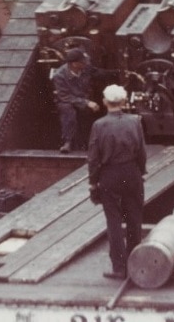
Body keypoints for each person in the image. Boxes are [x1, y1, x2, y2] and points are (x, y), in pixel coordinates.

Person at [88, 85, 146, 280]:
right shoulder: (135, 122)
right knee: (134, 218)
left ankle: (119, 268)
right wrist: (140, 172)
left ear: (105, 102)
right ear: (123, 102)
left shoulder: (99, 125)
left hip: (109, 174)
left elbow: (93, 159)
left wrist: (93, 183)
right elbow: (141, 151)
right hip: (131, 172)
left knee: (113, 221)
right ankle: (136, 264)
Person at [52, 48, 100, 152]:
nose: (86, 62)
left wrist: (118, 72)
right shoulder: (59, 76)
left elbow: (98, 73)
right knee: (67, 110)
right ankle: (68, 141)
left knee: (87, 114)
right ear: (74, 64)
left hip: (83, 98)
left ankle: (89, 142)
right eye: (83, 61)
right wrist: (86, 102)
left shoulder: (86, 68)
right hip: (67, 100)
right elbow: (64, 96)